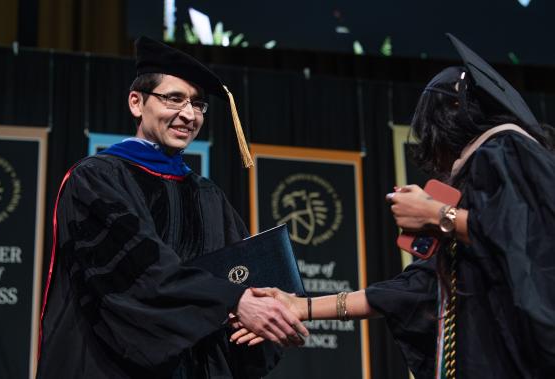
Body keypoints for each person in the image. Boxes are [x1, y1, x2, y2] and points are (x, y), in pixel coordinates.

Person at [231, 34, 555, 378]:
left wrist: (438, 215)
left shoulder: (505, 147)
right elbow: (409, 291)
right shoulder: (470, 176)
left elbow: (535, 238)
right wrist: (301, 306)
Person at [36, 36, 308, 379]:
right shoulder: (95, 180)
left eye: (198, 104)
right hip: (111, 366)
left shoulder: (207, 195)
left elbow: (238, 272)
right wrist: (232, 301)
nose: (188, 114)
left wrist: (269, 308)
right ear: (137, 103)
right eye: (174, 98)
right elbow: (141, 273)